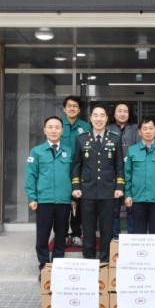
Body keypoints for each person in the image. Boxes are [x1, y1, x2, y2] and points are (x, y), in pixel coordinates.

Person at [72, 104, 125, 262]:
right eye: (95, 115)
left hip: (108, 191)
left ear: (107, 119)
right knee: (88, 229)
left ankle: (105, 260)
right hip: (87, 191)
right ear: (90, 118)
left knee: (107, 229)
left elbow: (119, 166)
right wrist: (75, 187)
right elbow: (76, 165)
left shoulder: (115, 138)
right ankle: (89, 260)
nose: (99, 119)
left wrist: (120, 187)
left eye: (102, 116)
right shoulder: (81, 139)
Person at [25, 116, 73, 280]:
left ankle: (58, 268)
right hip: (44, 201)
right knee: (42, 237)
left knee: (61, 237)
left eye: (57, 127)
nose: (54, 130)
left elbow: (73, 176)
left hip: (63, 201)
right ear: (44, 130)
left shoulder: (68, 151)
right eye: (50, 127)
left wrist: (74, 197)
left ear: (62, 130)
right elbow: (31, 176)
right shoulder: (36, 151)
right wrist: (32, 197)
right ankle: (44, 268)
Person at [125, 118, 155, 234]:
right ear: (139, 132)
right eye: (145, 129)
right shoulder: (132, 150)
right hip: (137, 198)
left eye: (151, 128)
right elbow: (127, 174)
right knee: (138, 233)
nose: (148, 131)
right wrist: (128, 194)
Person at [61, 96, 91, 248]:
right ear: (64, 109)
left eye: (75, 106)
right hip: (61, 170)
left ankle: (77, 233)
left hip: (80, 170)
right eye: (69, 106)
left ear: (79, 110)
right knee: (62, 203)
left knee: (77, 203)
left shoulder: (86, 126)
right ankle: (63, 234)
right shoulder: (58, 125)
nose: (72, 108)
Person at [106, 101, 140, 239]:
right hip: (113, 174)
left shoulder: (136, 128)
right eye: (119, 111)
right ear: (114, 114)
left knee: (132, 208)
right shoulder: (107, 128)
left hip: (132, 173)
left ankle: (131, 238)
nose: (122, 114)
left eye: (125, 111)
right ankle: (115, 238)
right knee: (114, 209)